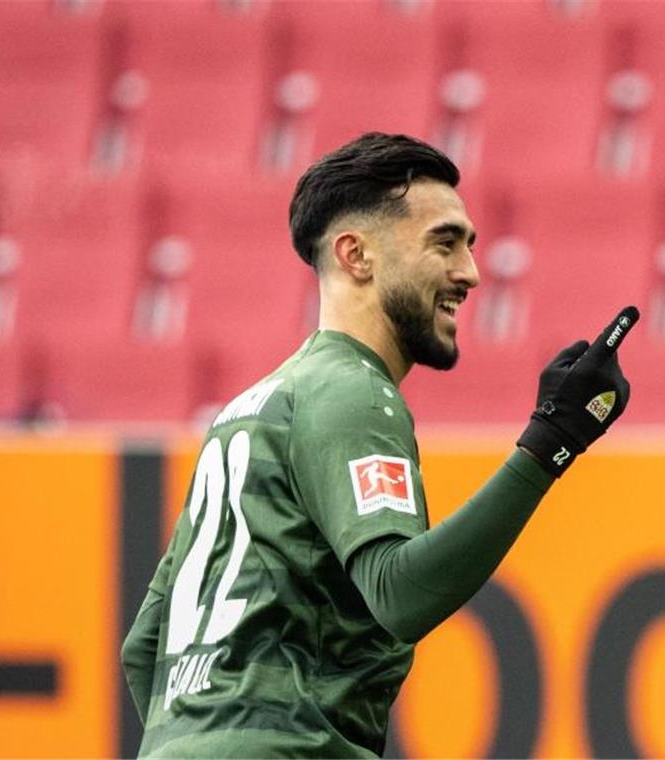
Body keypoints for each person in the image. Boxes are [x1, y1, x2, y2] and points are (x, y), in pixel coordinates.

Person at [121, 132, 637, 758]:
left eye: (470, 246)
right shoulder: (354, 394)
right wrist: (552, 441)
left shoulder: (248, 409)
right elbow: (400, 593)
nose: (470, 273)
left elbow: (146, 645)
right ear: (356, 255)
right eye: (444, 243)